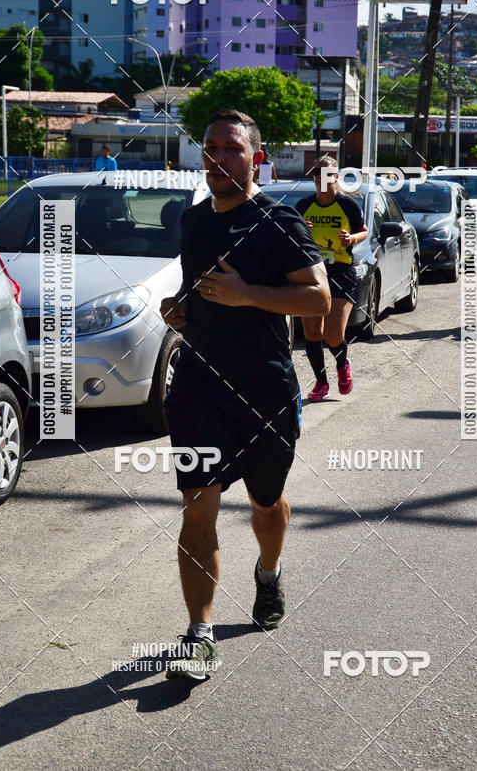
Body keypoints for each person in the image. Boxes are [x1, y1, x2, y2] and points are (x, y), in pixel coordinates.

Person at [159, 109, 329, 680]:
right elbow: (197, 290)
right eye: (209, 147)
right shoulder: (193, 222)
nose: (217, 158)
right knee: (197, 507)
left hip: (264, 389)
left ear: (256, 157)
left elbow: (318, 301)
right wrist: (179, 311)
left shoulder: (280, 221)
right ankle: (200, 634)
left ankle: (269, 571)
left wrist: (246, 294)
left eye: (231, 148)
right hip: (198, 388)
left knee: (265, 504)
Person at [295, 157, 368, 401]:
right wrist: (300, 230)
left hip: (341, 272)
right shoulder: (304, 205)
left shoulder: (348, 205)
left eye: (325, 173)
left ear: (336, 178)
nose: (319, 177)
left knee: (333, 334)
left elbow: (364, 231)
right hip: (312, 272)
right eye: (316, 173)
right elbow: (288, 236)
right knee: (313, 332)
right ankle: (321, 382)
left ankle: (342, 363)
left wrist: (351, 239)